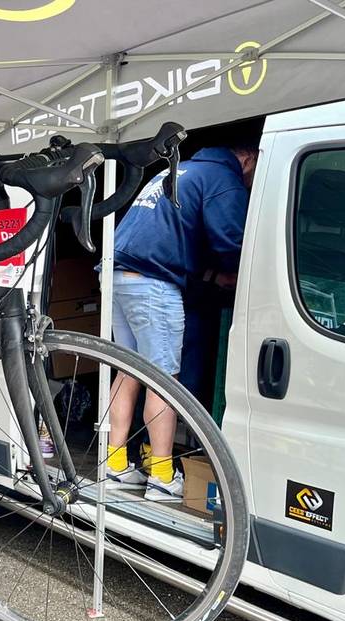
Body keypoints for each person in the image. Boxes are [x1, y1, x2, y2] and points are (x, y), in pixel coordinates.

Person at [105, 143, 258, 501]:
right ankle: (161, 474)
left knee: (128, 372)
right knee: (164, 379)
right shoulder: (224, 178)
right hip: (153, 283)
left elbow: (169, 234)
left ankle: (114, 466)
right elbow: (231, 241)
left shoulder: (180, 170)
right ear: (248, 159)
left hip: (117, 274)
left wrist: (208, 276)